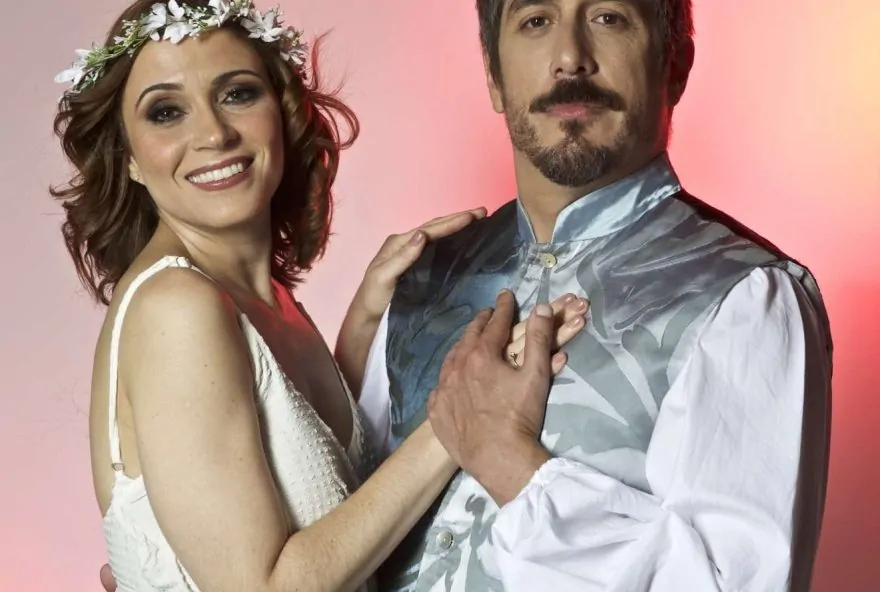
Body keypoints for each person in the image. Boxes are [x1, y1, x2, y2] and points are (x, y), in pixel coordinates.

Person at [51, 1, 590, 591]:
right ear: (129, 157)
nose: (213, 134)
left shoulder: (267, 301)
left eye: (237, 94)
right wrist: (461, 417)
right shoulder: (176, 308)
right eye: (166, 112)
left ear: (281, 113)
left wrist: (363, 325)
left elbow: (312, 477)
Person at [357, 0, 834, 591]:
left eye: (608, 17)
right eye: (536, 20)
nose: (569, 58)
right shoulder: (416, 283)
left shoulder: (743, 297)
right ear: (493, 76)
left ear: (676, 64)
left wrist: (511, 464)